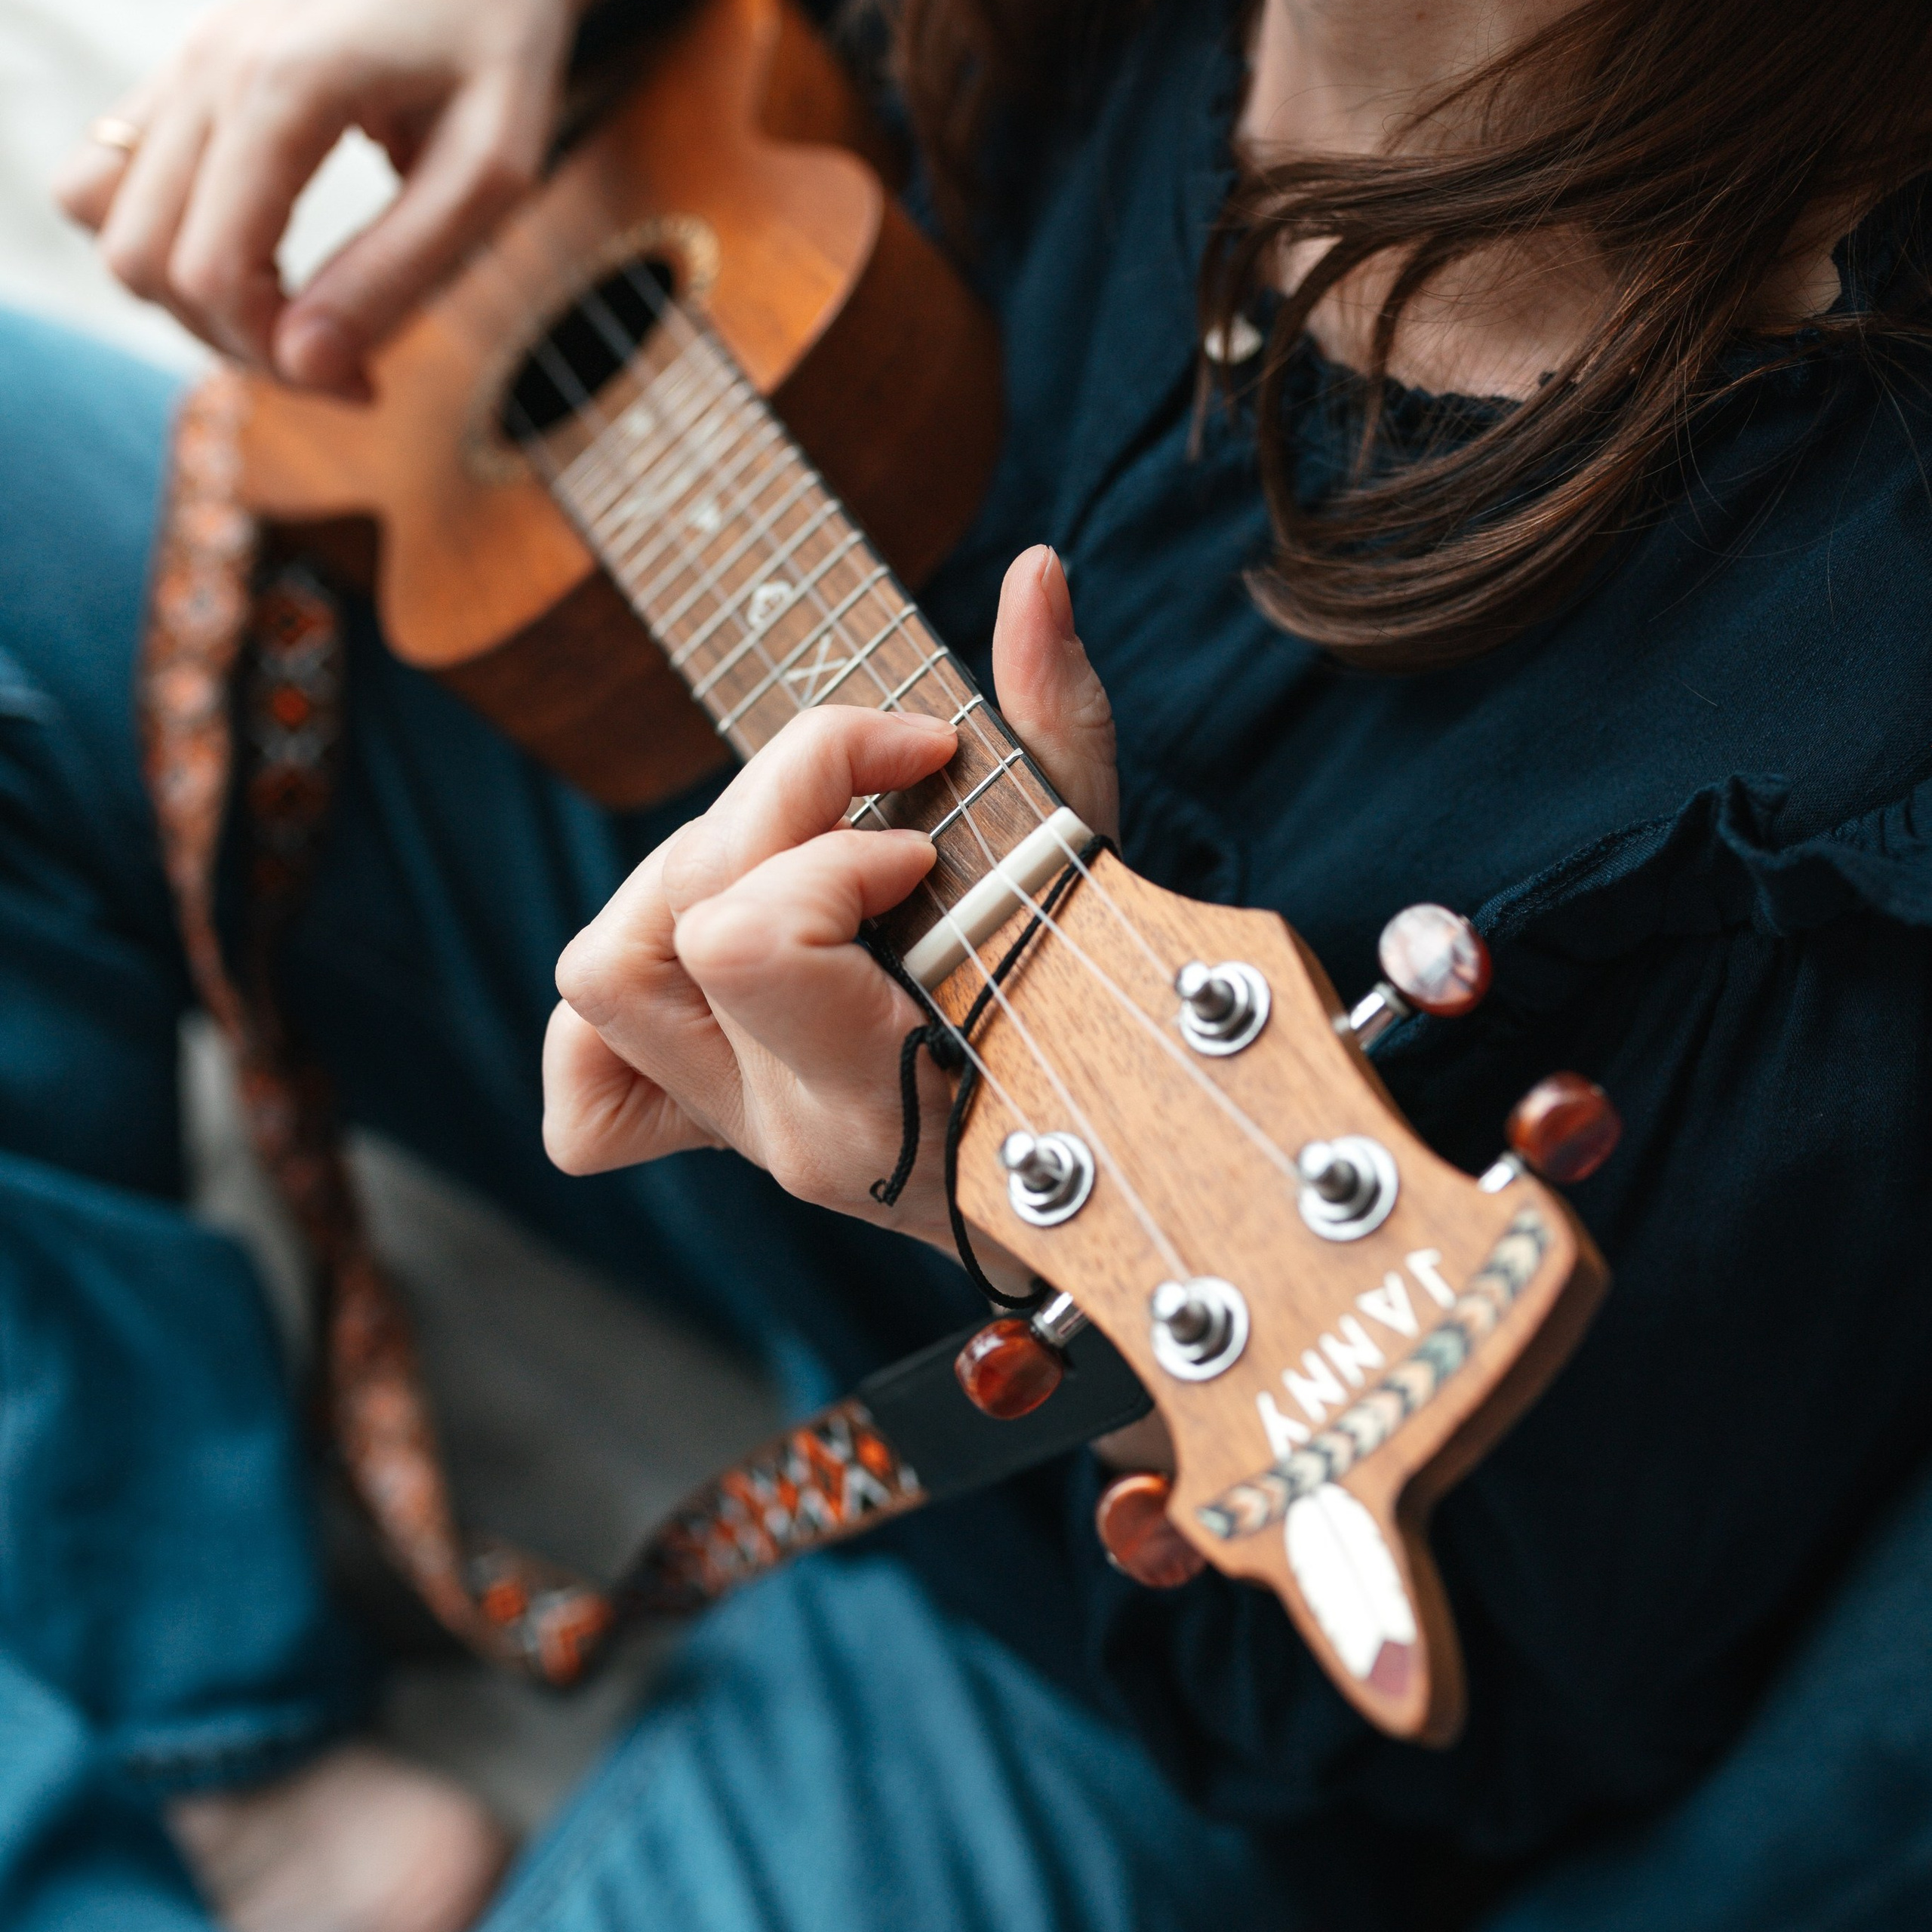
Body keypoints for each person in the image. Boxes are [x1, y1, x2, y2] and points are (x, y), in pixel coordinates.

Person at [8, 0, 1932, 1927]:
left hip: (1082, 1560)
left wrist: (981, 1206)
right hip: (645, 769)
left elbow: (1466, 1721)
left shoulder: (1834, 726)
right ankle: (222, 1747)